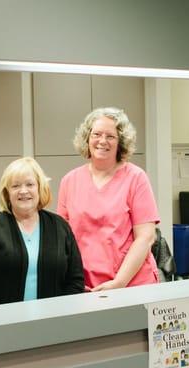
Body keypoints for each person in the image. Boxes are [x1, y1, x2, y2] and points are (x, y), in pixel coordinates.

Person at [57, 107, 160, 291]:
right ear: (87, 138)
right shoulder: (69, 181)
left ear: (121, 142)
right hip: (86, 287)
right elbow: (62, 240)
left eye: (110, 136)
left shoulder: (136, 178)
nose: (102, 141)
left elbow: (146, 237)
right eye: (96, 134)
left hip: (132, 285)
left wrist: (119, 283)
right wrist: (73, 281)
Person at [0, 157, 84, 307]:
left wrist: (61, 314)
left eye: (30, 184)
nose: (23, 191)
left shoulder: (60, 227)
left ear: (40, 188)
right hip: (2, 322)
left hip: (54, 320)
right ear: (7, 192)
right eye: (15, 186)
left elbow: (75, 280)